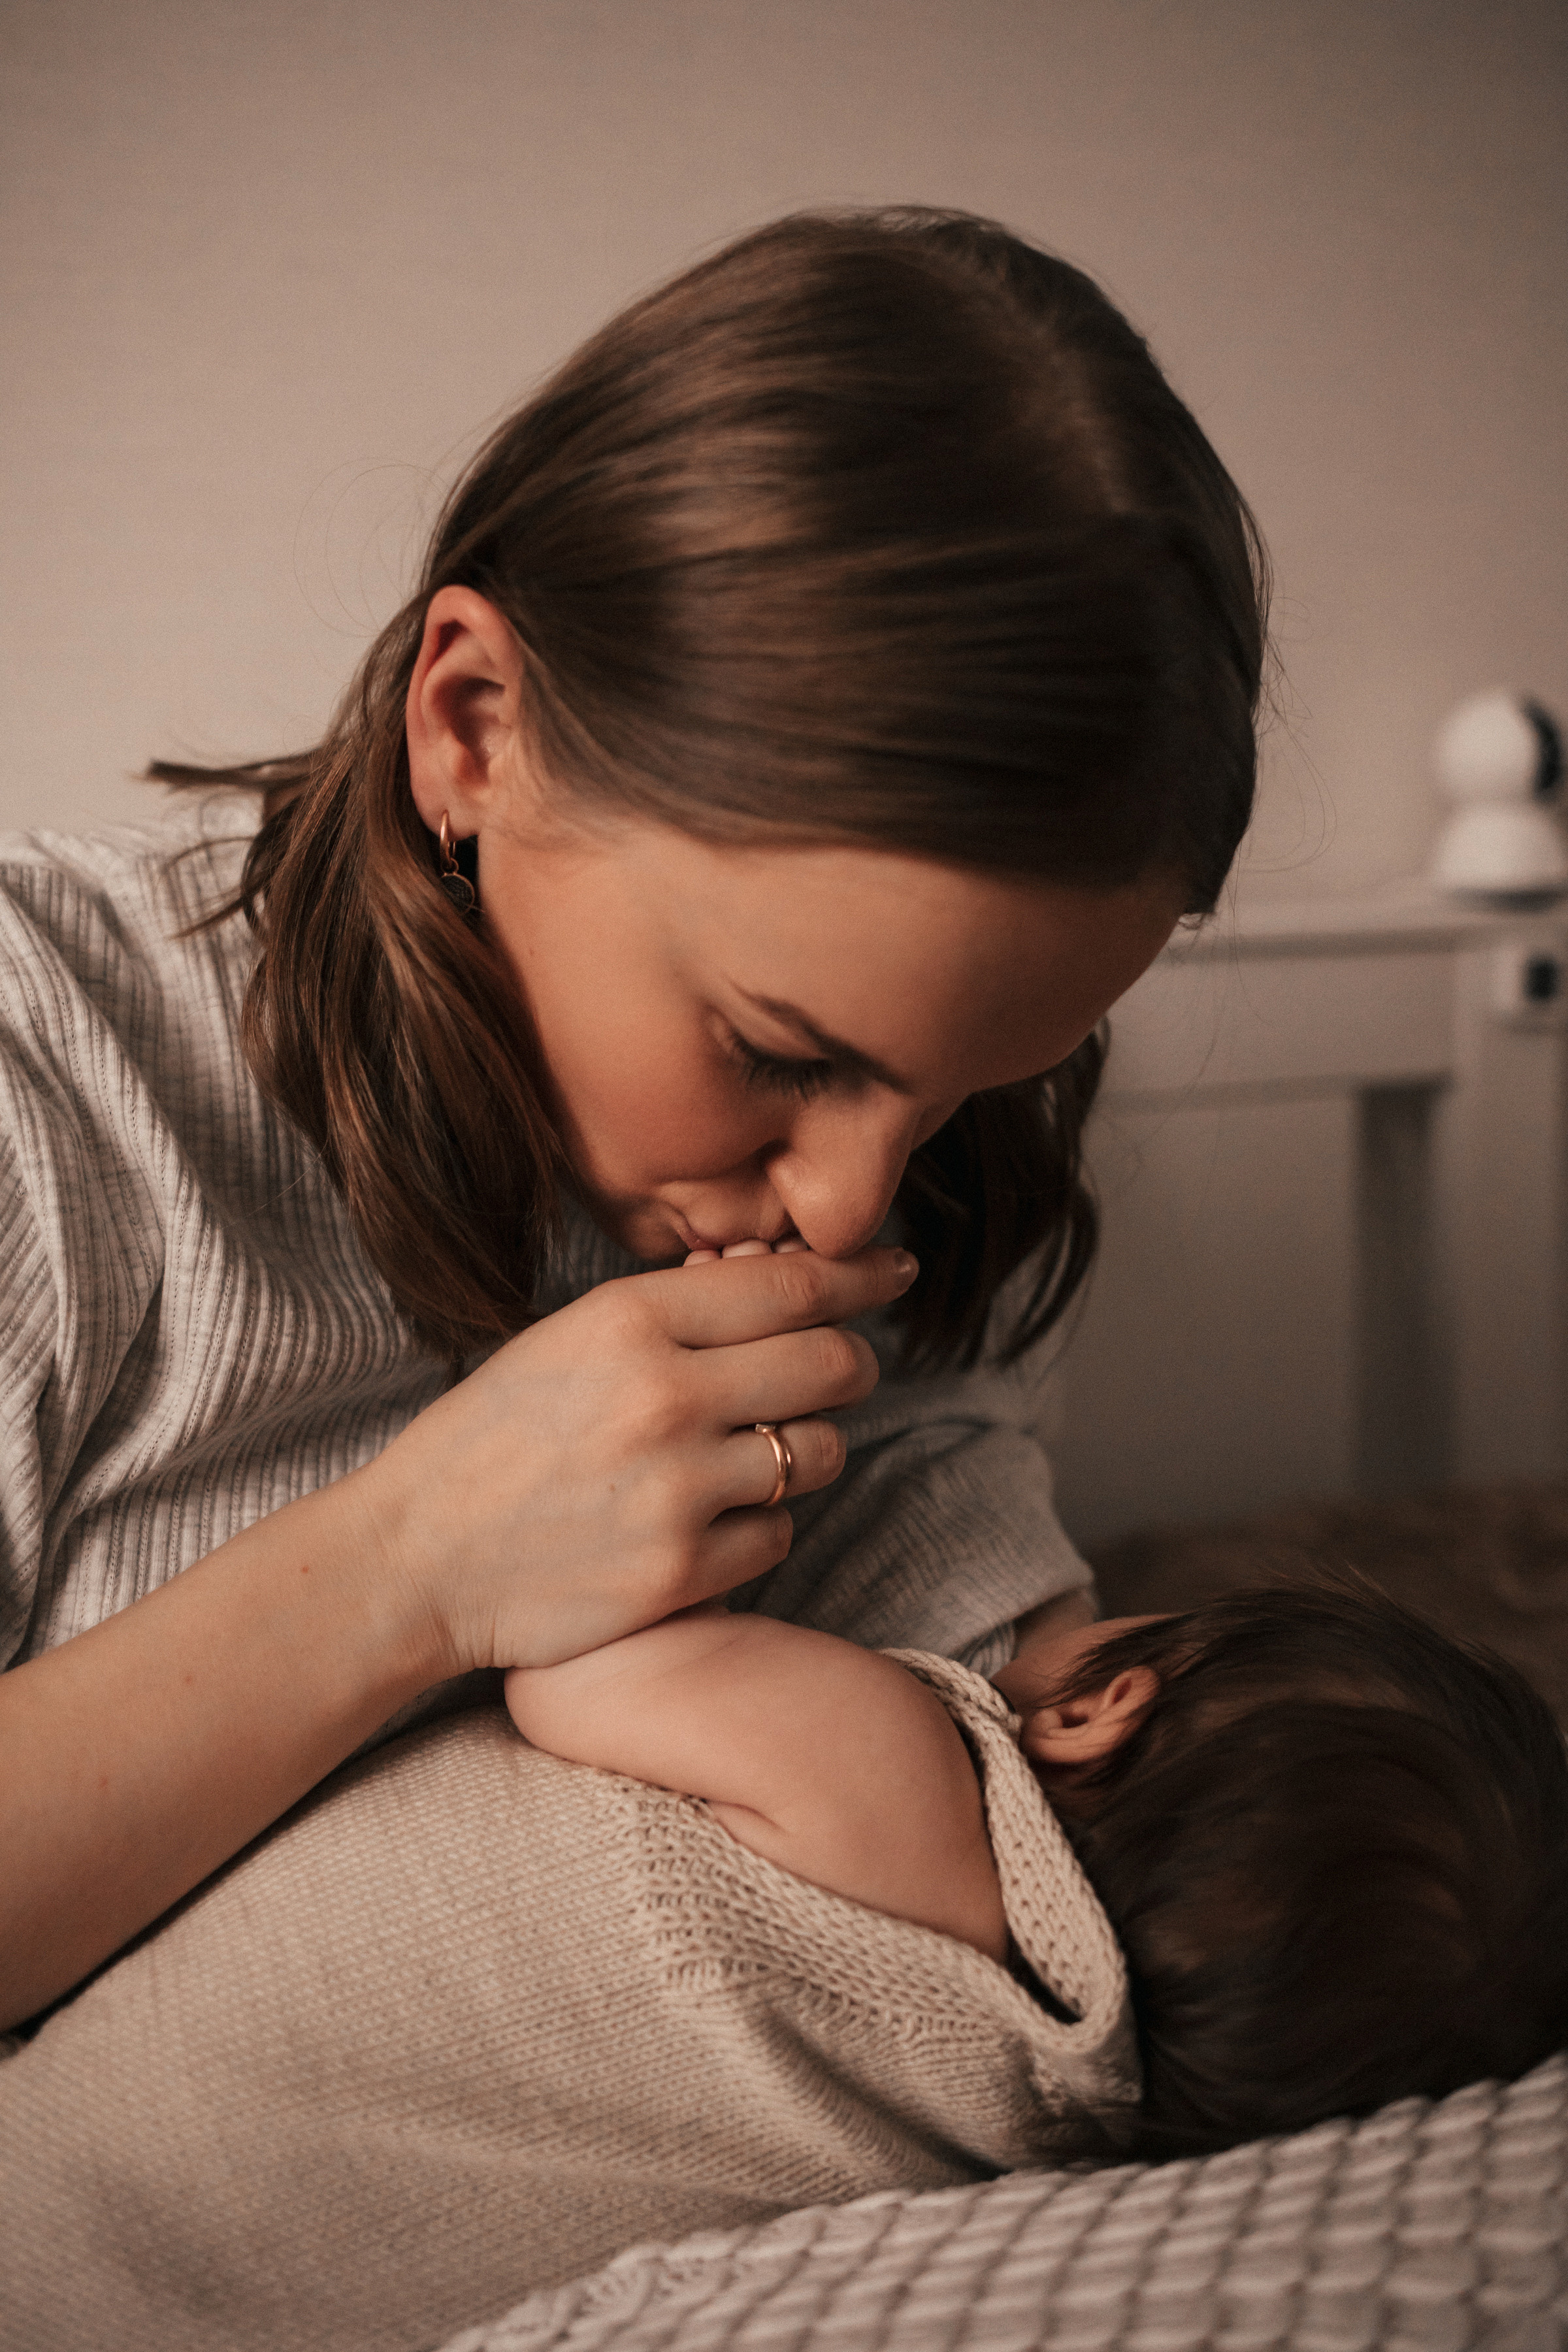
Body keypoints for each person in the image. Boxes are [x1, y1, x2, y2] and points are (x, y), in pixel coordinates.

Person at [0, 204, 1268, 2038]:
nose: (850, 1211)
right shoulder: (54, 1073)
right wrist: (410, 1571)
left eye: (972, 1087)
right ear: (476, 728)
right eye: (779, 1049)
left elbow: (1033, 1802)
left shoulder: (950, 1199)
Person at [3, 1578, 1561, 2352]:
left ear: (1104, 1707)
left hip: (84, 2142)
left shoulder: (890, 1769)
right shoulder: (1022, 2124)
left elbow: (565, 1664)